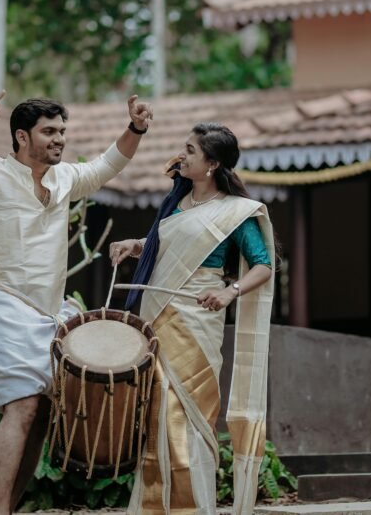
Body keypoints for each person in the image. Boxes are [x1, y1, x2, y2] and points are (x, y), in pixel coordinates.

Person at [0, 90, 153, 515]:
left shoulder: (64, 179)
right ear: (21, 136)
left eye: (62, 131)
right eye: (49, 132)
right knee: (22, 406)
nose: (59, 139)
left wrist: (135, 127)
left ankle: (6, 508)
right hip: (3, 303)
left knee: (43, 413)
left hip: (51, 309)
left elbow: (107, 166)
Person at [109, 122, 275, 515]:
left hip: (198, 317)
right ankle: (155, 507)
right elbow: (168, 248)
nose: (181, 155)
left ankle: (195, 506)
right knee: (156, 413)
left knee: (188, 416)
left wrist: (228, 291)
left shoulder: (236, 212)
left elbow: (263, 266)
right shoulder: (177, 201)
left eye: (191, 150)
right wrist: (136, 245)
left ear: (213, 163)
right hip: (157, 313)